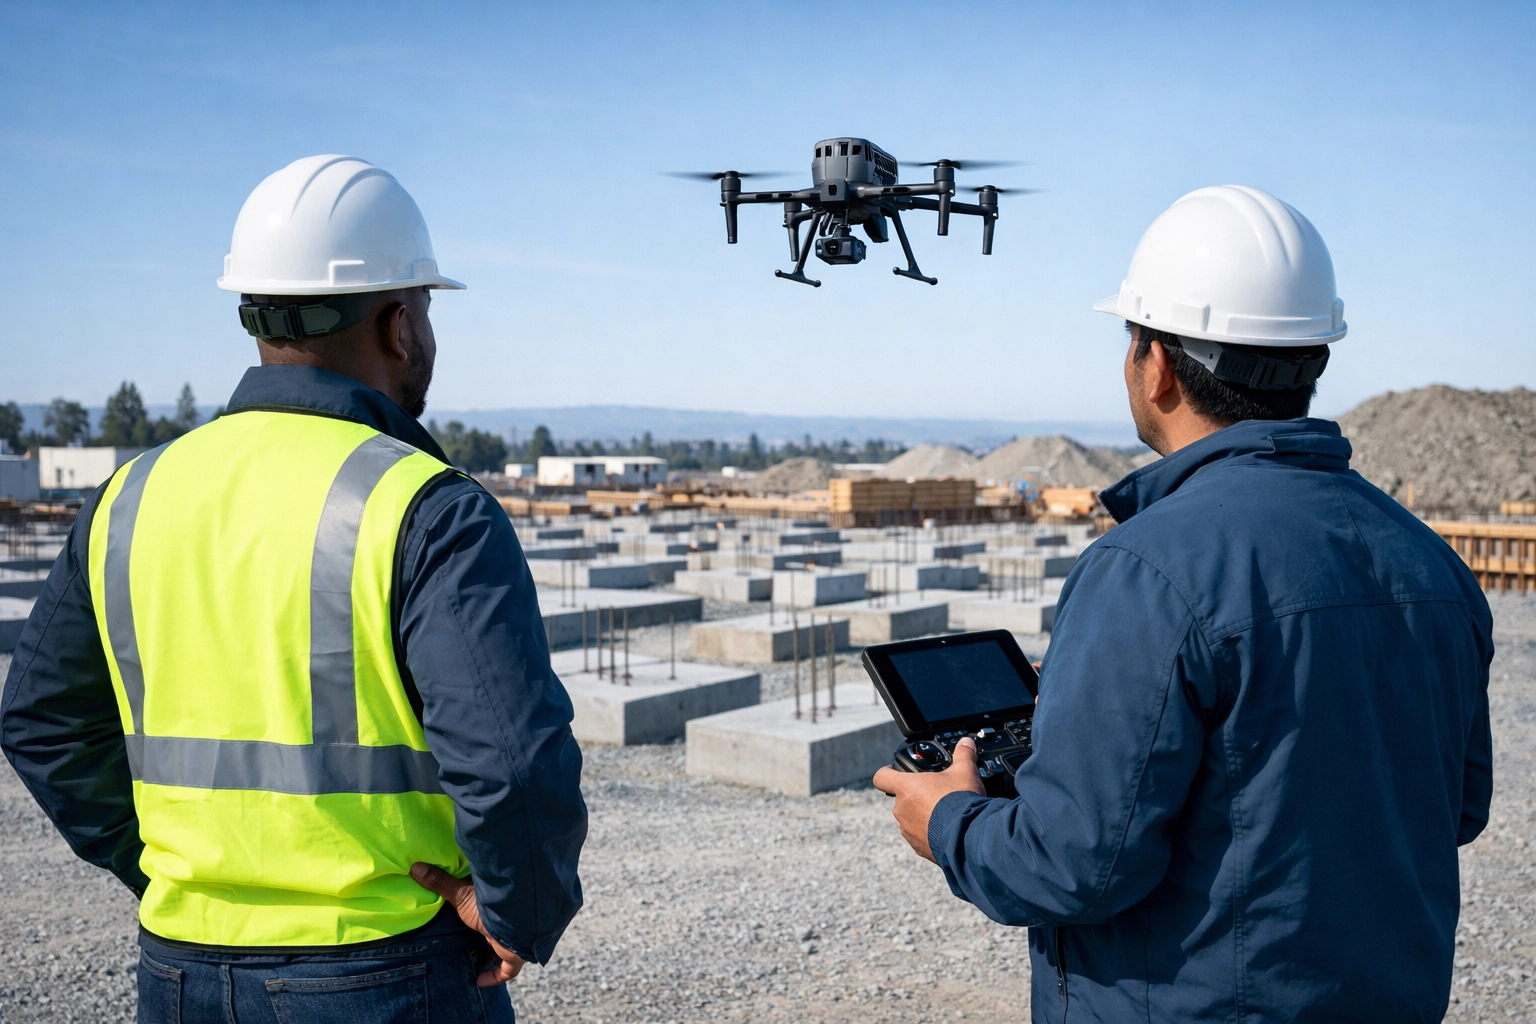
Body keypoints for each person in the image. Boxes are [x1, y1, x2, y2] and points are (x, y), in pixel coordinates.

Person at [875, 185, 1492, 1021]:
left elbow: (1070, 866)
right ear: (1313, 359)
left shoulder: (1146, 570)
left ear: (1156, 363)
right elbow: (1451, 809)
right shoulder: (1430, 561)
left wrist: (946, 819)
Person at [1, 155, 587, 1022]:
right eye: (424, 308)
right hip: (385, 968)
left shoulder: (130, 495)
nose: (426, 333)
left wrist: (162, 869)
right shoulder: (425, 506)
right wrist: (517, 914)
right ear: (396, 324)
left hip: (179, 971)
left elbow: (41, 720)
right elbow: (512, 761)